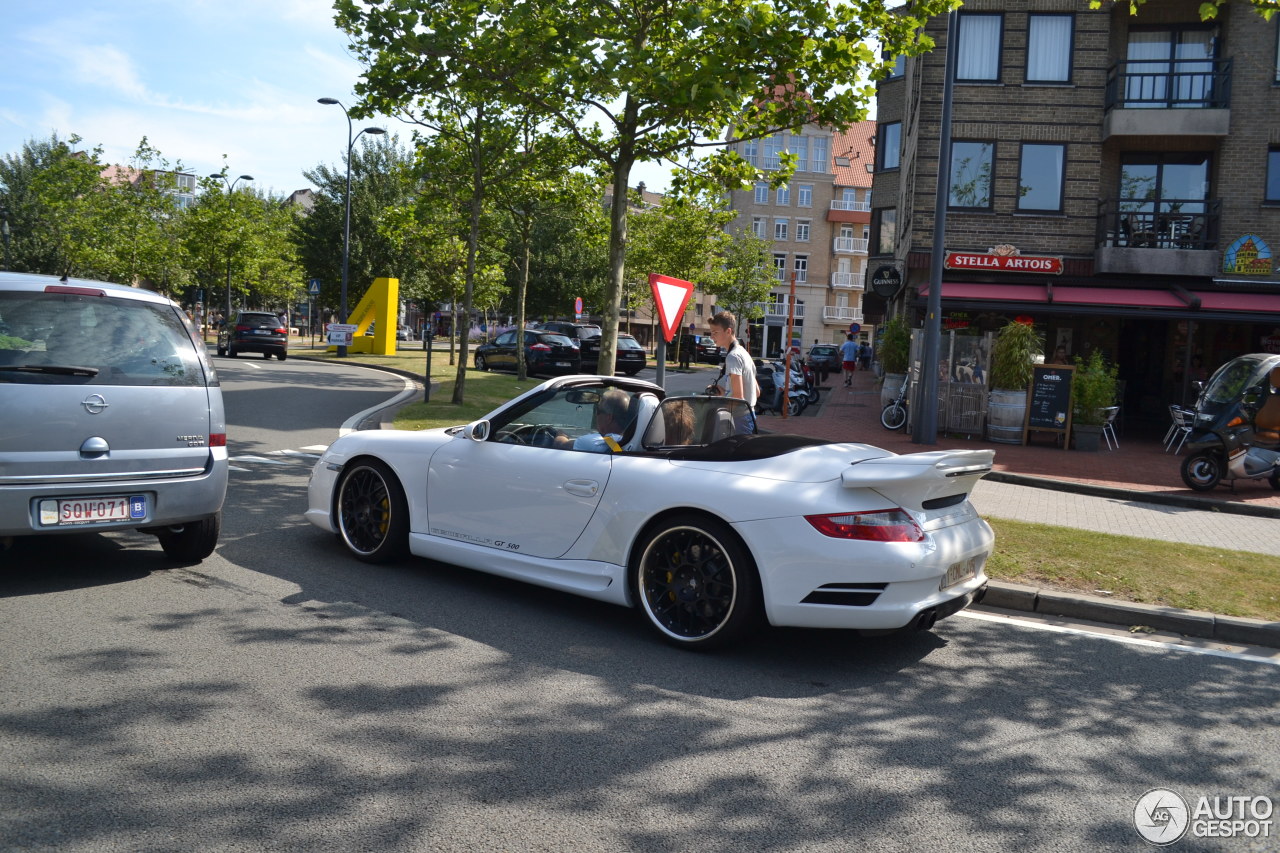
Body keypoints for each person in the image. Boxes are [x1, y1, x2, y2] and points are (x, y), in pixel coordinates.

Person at [708, 311, 758, 434]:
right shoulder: (744, 353)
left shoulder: (733, 357)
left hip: (740, 418)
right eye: (711, 332)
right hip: (749, 415)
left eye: (715, 332)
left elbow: (738, 398)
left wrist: (718, 407)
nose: (711, 336)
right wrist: (725, 393)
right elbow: (756, 391)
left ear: (728, 331)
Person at [556, 388, 631, 452]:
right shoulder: (632, 443)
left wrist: (560, 435)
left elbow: (560, 444)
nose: (596, 415)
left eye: (598, 410)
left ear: (609, 418)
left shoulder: (592, 443)